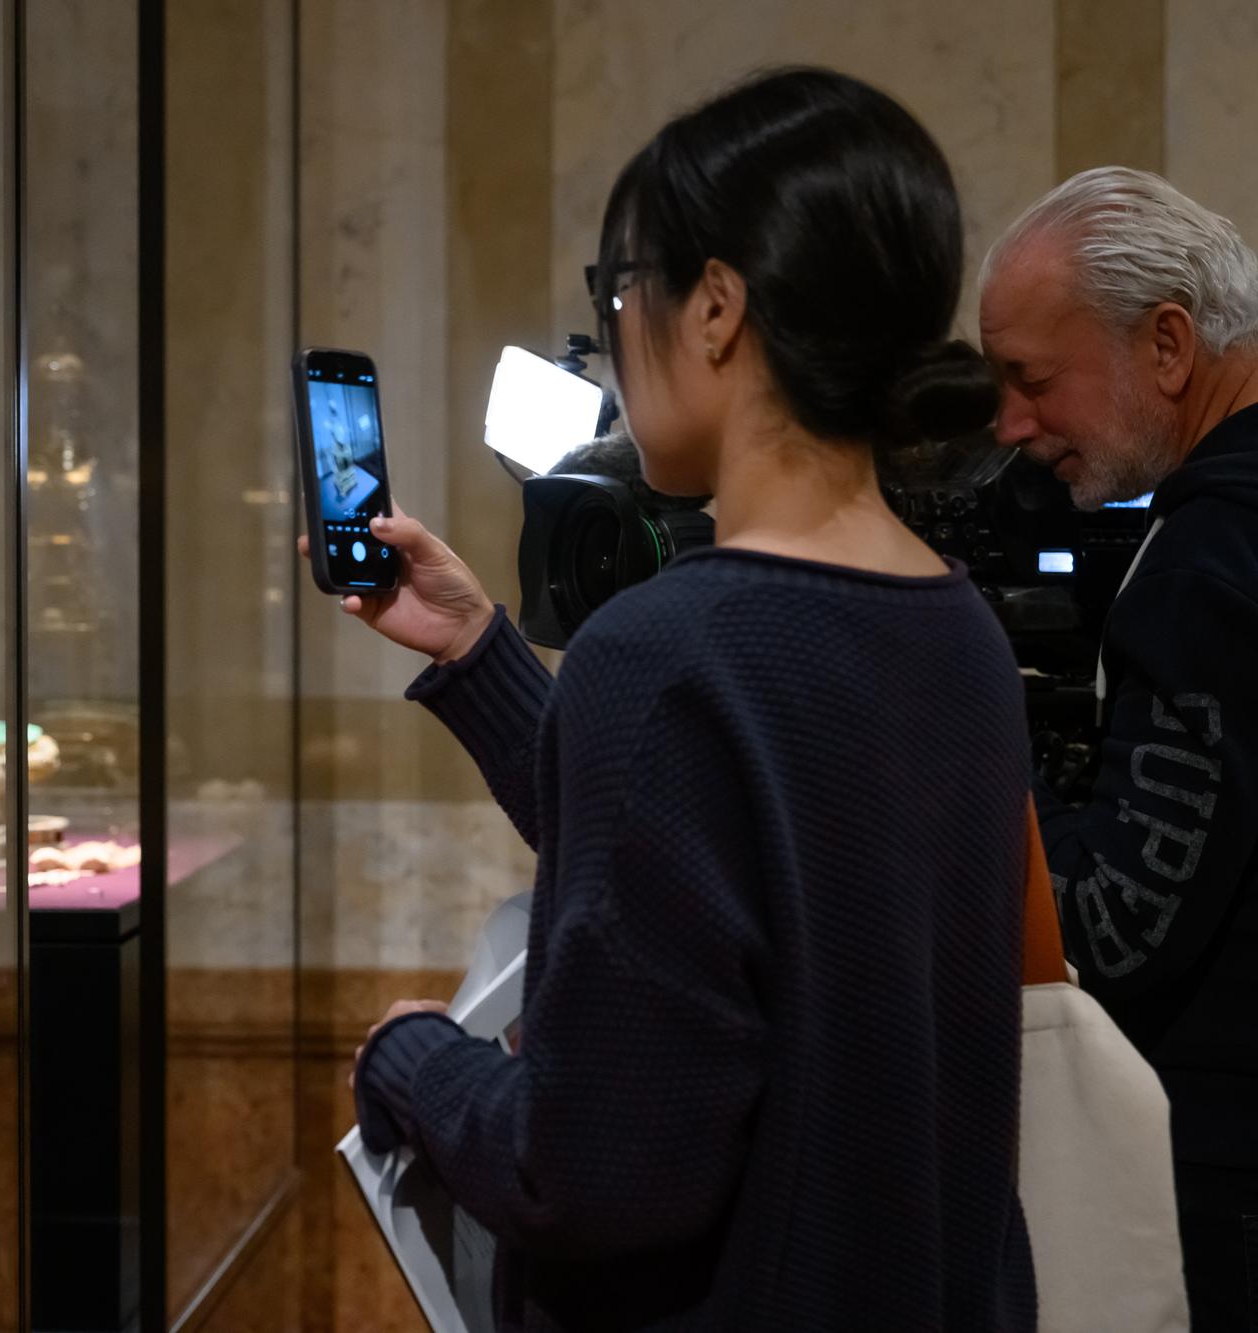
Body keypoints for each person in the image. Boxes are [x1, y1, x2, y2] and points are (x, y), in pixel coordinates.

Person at [327, 68, 1035, 1331]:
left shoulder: (659, 655)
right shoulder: (958, 629)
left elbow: (585, 1172)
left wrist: (409, 1061)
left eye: (618, 292)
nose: (616, 331)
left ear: (714, 306)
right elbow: (720, 860)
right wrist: (482, 650)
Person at [981, 167, 1258, 1331]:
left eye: (1030, 380)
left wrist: (977, 731)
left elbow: (1109, 922)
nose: (1008, 428)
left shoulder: (1209, 558)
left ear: (1166, 344)